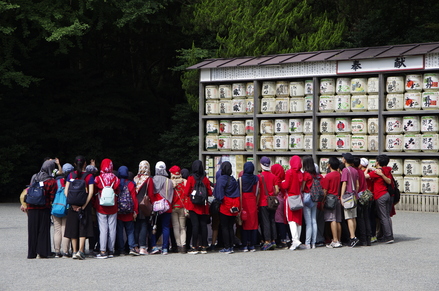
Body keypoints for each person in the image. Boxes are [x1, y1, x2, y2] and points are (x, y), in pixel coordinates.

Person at [64, 156, 95, 260]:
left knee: (73, 228)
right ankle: (81, 251)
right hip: (84, 206)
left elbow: (66, 191)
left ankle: (74, 251)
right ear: (85, 164)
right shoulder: (89, 176)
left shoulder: (71, 175)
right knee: (83, 227)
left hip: (72, 206)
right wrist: (83, 206)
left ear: (74, 164)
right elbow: (90, 192)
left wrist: (72, 204)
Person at [27, 159, 58, 259]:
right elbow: (52, 196)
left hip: (31, 207)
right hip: (44, 207)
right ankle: (43, 252)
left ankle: (32, 253)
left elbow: (29, 190)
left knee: (32, 230)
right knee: (43, 230)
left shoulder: (34, 176)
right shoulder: (51, 181)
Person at [184, 160, 213, 255]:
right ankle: (204, 246)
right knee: (203, 226)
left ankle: (194, 246)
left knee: (195, 226)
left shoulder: (191, 178)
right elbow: (210, 193)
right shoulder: (205, 179)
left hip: (193, 205)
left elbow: (186, 192)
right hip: (204, 206)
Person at [94, 158, 120, 258]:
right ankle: (111, 250)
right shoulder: (115, 178)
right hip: (113, 206)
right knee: (112, 228)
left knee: (103, 229)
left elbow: (95, 191)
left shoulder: (98, 179)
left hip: (101, 206)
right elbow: (117, 191)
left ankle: (103, 250)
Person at [365, 154, 394, 244]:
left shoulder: (377, 171)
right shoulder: (387, 170)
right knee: (387, 216)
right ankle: (389, 235)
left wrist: (367, 169)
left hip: (380, 195)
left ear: (378, 162)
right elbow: (389, 181)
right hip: (387, 194)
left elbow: (365, 176)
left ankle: (388, 237)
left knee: (383, 217)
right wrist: (382, 175)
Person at [214, 161, 240, 254]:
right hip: (234, 205)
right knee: (230, 227)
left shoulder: (221, 179)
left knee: (224, 227)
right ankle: (231, 246)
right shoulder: (233, 179)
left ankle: (227, 247)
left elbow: (219, 195)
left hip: (225, 205)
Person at [150, 161, 174, 255]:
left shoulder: (152, 179)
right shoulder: (169, 181)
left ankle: (153, 246)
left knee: (153, 226)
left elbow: (151, 193)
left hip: (155, 206)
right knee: (165, 227)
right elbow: (171, 195)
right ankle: (165, 248)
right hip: (166, 206)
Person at [116, 166, 139, 256]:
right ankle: (131, 248)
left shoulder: (117, 183)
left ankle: (121, 250)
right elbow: (134, 198)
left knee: (120, 231)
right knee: (130, 231)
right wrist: (135, 211)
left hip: (119, 211)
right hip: (129, 211)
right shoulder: (131, 184)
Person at [52, 163, 74, 258]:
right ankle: (66, 251)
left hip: (56, 207)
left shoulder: (57, 181)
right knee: (65, 229)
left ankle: (57, 251)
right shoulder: (71, 181)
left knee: (57, 230)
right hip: (66, 207)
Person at [281, 155, 303, 250]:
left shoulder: (289, 172)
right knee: (298, 220)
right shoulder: (301, 173)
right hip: (299, 197)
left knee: (291, 219)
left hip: (290, 198)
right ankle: (297, 239)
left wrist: (281, 183)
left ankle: (295, 240)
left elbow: (286, 185)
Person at [133, 160, 154, 255]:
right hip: (144, 204)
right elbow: (150, 194)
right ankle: (142, 247)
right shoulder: (149, 179)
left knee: (136, 225)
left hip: (135, 203)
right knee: (144, 225)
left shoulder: (135, 178)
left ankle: (135, 246)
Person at [302, 156, 323, 249]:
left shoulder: (305, 174)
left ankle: (307, 243)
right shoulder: (316, 174)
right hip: (315, 198)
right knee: (314, 221)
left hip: (307, 198)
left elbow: (303, 188)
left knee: (308, 222)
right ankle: (314, 243)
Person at [322, 157, 342, 248]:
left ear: (329, 165)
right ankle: (339, 239)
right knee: (338, 220)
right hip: (338, 198)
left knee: (332, 219)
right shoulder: (339, 175)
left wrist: (322, 200)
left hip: (330, 198)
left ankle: (334, 240)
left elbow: (325, 190)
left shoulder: (328, 176)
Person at [340, 153, 360, 247]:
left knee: (349, 218)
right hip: (354, 195)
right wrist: (355, 192)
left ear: (345, 160)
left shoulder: (345, 170)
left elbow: (344, 183)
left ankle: (352, 237)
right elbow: (357, 185)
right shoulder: (355, 170)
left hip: (347, 195)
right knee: (353, 216)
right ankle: (354, 235)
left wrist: (341, 196)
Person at [240, 162, 260, 252]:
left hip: (243, 201)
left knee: (244, 223)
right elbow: (258, 192)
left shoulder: (241, 179)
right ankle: (252, 245)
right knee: (253, 223)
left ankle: (245, 244)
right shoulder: (256, 178)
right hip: (253, 200)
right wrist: (256, 203)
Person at [169, 165, 188, 253]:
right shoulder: (184, 182)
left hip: (173, 207)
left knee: (176, 227)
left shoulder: (170, 183)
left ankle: (178, 245)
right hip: (183, 207)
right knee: (183, 227)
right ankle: (184, 245)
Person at [354, 157, 372, 246]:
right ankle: (368, 238)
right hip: (365, 196)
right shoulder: (361, 172)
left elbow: (357, 185)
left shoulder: (355, 172)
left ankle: (363, 238)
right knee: (366, 217)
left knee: (360, 218)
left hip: (359, 196)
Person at [271, 163, 289, 249]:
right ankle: (285, 239)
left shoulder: (275, 179)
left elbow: (276, 190)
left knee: (278, 221)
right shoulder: (284, 178)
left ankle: (281, 240)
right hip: (284, 200)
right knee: (283, 220)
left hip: (277, 201)